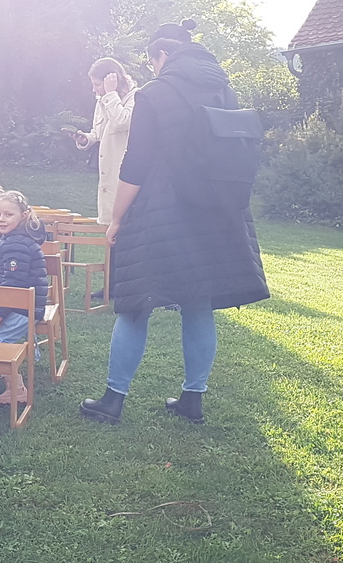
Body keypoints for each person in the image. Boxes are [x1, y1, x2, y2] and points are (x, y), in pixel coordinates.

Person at [79, 19, 269, 425]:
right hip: (218, 212)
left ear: (163, 55)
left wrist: (116, 218)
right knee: (199, 303)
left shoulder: (155, 92)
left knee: (135, 302)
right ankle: (192, 401)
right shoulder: (225, 89)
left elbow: (136, 162)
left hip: (163, 212)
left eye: (152, 61)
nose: (153, 69)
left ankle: (113, 400)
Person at [0, 190, 48, 405]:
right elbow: (9, 249)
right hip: (19, 304)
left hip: (23, 309)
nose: (1, 219)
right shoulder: (15, 240)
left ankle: (17, 390)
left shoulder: (17, 244)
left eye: (8, 215)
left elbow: (13, 283)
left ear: (23, 216)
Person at [70, 57, 138, 227]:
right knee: (109, 227)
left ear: (112, 81)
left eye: (97, 84)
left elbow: (122, 122)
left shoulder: (135, 97)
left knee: (124, 224)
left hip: (126, 172)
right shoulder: (103, 99)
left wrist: (110, 94)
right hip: (107, 173)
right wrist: (86, 139)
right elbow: (99, 132)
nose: (94, 90)